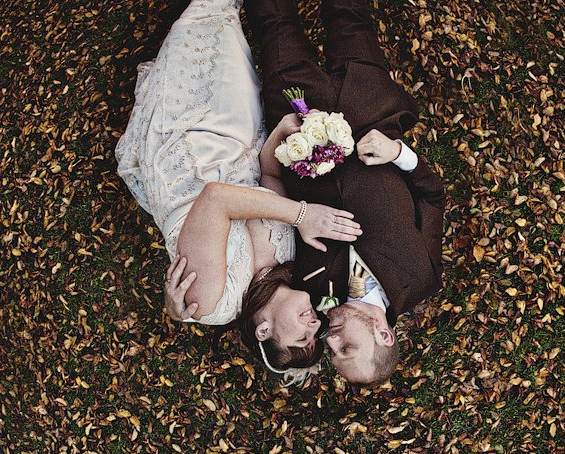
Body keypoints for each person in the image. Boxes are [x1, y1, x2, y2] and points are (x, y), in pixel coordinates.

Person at [114, 0, 363, 373]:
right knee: (225, 27)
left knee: (198, 29)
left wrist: (302, 215)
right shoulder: (287, 263)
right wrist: (279, 140)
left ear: (263, 331)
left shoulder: (213, 303)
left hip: (193, 151)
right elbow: (270, 179)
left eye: (302, 337)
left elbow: (215, 201)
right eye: (317, 334)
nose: (316, 325)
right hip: (241, 136)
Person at [238, 0, 446, 386]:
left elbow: (257, 286)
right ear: (383, 335)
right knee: (350, 15)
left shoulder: (306, 297)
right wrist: (397, 153)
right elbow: (432, 198)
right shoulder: (422, 278)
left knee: (274, 26)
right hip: (371, 104)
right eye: (345, 348)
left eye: (331, 353)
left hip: (298, 121)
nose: (329, 340)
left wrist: (298, 221)